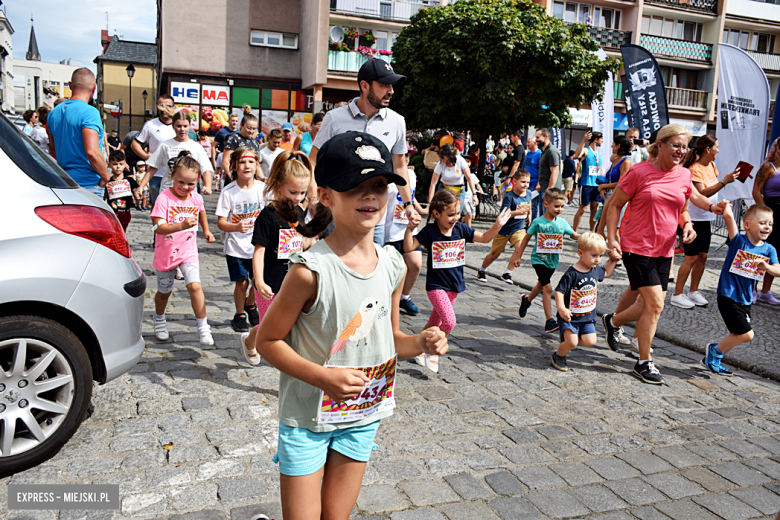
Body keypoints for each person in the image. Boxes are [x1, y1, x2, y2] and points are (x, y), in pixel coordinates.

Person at [251, 131, 447, 520]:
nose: (370, 196)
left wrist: (421, 343)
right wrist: (322, 377)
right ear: (325, 195)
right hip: (308, 418)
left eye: (379, 185)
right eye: (354, 187)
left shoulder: (393, 264)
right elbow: (269, 341)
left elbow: (391, 339)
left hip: (361, 416)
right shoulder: (310, 270)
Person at [602, 124, 722, 385]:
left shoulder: (682, 176)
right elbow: (615, 206)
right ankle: (644, 362)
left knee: (647, 306)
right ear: (660, 145)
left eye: (685, 146)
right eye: (677, 145)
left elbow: (684, 208)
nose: (682, 151)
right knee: (656, 305)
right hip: (636, 246)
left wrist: (689, 225)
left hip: (665, 249)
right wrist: (612, 239)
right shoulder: (638, 172)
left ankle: (612, 321)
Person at [310, 58, 417, 247]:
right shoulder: (334, 118)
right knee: (338, 269)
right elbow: (313, 161)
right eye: (384, 84)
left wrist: (409, 205)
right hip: (339, 213)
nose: (391, 91)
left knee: (372, 269)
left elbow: (400, 166)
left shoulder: (397, 121)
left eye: (391, 85)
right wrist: (312, 198)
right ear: (365, 85)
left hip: (375, 215)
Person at [405, 189, 510, 372]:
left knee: (434, 321)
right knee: (449, 321)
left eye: (458, 213)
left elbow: (485, 238)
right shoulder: (430, 231)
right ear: (436, 214)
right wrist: (409, 229)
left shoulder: (461, 229)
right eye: (450, 214)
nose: (455, 217)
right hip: (436, 286)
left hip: (454, 286)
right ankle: (433, 351)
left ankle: (419, 349)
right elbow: (409, 247)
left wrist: (498, 225)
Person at [240, 150, 316, 365]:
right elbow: (259, 251)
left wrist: (310, 240)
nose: (298, 198)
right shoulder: (268, 216)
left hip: (293, 281)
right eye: (293, 192)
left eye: (302, 193)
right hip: (270, 281)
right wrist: (259, 281)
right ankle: (250, 342)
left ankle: (292, 361)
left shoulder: (299, 212)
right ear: (278, 184)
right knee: (267, 325)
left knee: (290, 323)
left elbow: (303, 240)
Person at [704, 203, 779, 376]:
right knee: (746, 334)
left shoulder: (769, 249)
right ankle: (714, 352)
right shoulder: (738, 241)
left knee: (736, 333)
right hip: (728, 295)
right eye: (762, 223)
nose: (767, 227)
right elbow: (729, 217)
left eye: (770, 224)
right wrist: (725, 205)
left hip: (746, 299)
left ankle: (713, 358)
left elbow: (778, 270)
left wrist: (766, 265)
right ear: (747, 225)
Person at [150, 152, 216, 345]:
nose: (185, 188)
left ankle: (203, 326)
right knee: (164, 292)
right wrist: (180, 226)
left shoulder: (195, 198)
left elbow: (201, 211)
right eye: (181, 182)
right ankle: (159, 319)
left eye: (191, 184)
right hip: (166, 254)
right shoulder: (164, 199)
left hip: (188, 251)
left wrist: (207, 230)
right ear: (172, 176)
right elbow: (158, 227)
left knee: (195, 286)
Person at [672, 135, 740, 309]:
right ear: (708, 149)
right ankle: (677, 294)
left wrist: (714, 207)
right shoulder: (694, 169)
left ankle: (693, 291)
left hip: (706, 217)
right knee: (691, 257)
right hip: (692, 219)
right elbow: (702, 194)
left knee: (702, 256)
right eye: (716, 147)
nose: (719, 150)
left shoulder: (712, 165)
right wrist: (725, 181)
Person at [551, 232, 618, 371]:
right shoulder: (572, 273)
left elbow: (605, 273)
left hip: (587, 317)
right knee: (572, 343)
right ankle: (559, 355)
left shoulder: (595, 269)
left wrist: (612, 261)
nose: (598, 260)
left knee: (590, 341)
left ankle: (569, 337)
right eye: (594, 255)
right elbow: (559, 291)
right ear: (580, 253)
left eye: (600, 256)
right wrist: (562, 309)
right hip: (570, 317)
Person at [216, 146, 267, 333]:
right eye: (242, 162)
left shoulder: (263, 189)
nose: (247, 166)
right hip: (236, 247)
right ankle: (240, 314)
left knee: (258, 281)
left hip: (258, 246)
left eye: (251, 162)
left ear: (257, 165)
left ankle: (251, 304)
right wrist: (235, 227)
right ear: (235, 166)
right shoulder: (229, 192)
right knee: (242, 283)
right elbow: (221, 222)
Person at [516, 188, 580, 333]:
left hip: (552, 261)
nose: (560, 209)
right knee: (548, 288)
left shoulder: (562, 223)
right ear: (546, 204)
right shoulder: (538, 222)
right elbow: (526, 238)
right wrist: (518, 255)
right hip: (538, 260)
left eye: (562, 206)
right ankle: (549, 321)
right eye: (556, 206)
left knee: (540, 285)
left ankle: (526, 300)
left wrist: (587, 237)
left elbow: (573, 235)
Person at [47, 68, 110, 196]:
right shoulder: (90, 112)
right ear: (94, 88)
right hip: (88, 183)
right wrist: (106, 176)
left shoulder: (54, 113)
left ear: (70, 85)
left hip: (64, 181)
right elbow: (92, 151)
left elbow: (54, 147)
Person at [384, 163, 428, 316]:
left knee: (415, 264)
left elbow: (409, 195)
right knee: (394, 270)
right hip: (389, 230)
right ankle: (387, 301)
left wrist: (419, 210)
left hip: (407, 228)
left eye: (408, 155)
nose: (406, 158)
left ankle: (404, 297)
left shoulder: (411, 174)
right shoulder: (384, 172)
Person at [139, 111, 213, 195]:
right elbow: (153, 167)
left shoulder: (196, 147)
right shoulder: (165, 145)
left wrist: (208, 186)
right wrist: (141, 186)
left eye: (185, 126)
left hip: (188, 194)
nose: (182, 129)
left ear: (190, 126)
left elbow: (205, 169)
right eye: (178, 126)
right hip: (167, 192)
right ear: (173, 126)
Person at [478, 170, 532, 283]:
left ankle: (507, 273)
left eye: (528, 182)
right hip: (503, 229)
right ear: (515, 181)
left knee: (520, 248)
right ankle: (482, 270)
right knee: (495, 254)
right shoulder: (509, 197)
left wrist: (530, 214)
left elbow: (529, 203)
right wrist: (519, 211)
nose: (526, 185)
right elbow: (504, 214)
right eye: (523, 182)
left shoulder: (529, 193)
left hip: (519, 229)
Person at [132, 94, 177, 205]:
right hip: (156, 174)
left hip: (176, 174)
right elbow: (135, 143)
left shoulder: (179, 124)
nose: (164, 109)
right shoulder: (150, 124)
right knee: (157, 205)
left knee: (175, 206)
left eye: (168, 106)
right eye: (161, 106)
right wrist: (145, 156)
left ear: (173, 107)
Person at [751, 136, 780, 305]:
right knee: (762, 251)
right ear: (777, 149)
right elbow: (756, 191)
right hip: (770, 209)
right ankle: (752, 289)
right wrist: (766, 215)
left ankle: (766, 291)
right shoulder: (768, 167)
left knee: (776, 254)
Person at [595, 135, 633, 236]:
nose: (611, 146)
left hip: (617, 196)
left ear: (618, 145)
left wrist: (603, 186)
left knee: (616, 230)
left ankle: (618, 250)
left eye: (613, 144)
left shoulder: (626, 161)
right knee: (606, 227)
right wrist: (603, 188)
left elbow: (621, 183)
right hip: (609, 195)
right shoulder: (616, 159)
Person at [427, 144, 479, 214]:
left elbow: (469, 178)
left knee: (456, 213)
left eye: (442, 157)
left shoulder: (460, 161)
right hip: (444, 188)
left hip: (459, 189)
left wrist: (474, 194)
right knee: (442, 213)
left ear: (449, 157)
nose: (440, 159)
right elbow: (433, 184)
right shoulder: (440, 164)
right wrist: (430, 203)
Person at [572, 131, 604, 233]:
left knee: (594, 209)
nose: (602, 141)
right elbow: (577, 155)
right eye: (601, 139)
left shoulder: (599, 153)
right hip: (586, 184)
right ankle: (574, 232)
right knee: (582, 209)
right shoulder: (586, 150)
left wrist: (603, 183)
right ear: (596, 139)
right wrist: (583, 140)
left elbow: (600, 169)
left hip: (596, 185)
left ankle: (592, 232)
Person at [104, 150, 140, 231]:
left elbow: (136, 195)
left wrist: (138, 195)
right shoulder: (107, 182)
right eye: (114, 164)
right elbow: (103, 198)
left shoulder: (129, 180)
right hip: (112, 213)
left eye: (121, 164)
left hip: (125, 213)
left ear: (125, 165)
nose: (118, 167)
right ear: (109, 165)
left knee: (122, 232)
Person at [222, 106, 261, 180]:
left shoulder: (255, 143)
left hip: (250, 181)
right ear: (241, 125)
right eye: (249, 128)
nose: (251, 131)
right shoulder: (234, 139)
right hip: (235, 180)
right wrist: (232, 178)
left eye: (254, 129)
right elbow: (226, 161)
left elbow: (257, 165)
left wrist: (262, 178)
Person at [461, 156, 482, 227]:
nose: (466, 163)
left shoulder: (472, 175)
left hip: (471, 198)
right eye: (465, 161)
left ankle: (462, 220)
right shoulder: (460, 174)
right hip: (463, 197)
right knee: (469, 214)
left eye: (468, 161)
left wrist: (481, 191)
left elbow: (477, 184)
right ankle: (468, 232)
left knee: (472, 216)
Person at [524, 137, 542, 219]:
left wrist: (538, 183)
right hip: (526, 182)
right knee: (525, 203)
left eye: (529, 142)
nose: (527, 144)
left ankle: (532, 224)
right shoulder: (528, 154)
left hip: (534, 183)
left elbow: (541, 170)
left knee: (533, 205)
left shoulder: (539, 154)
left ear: (535, 143)